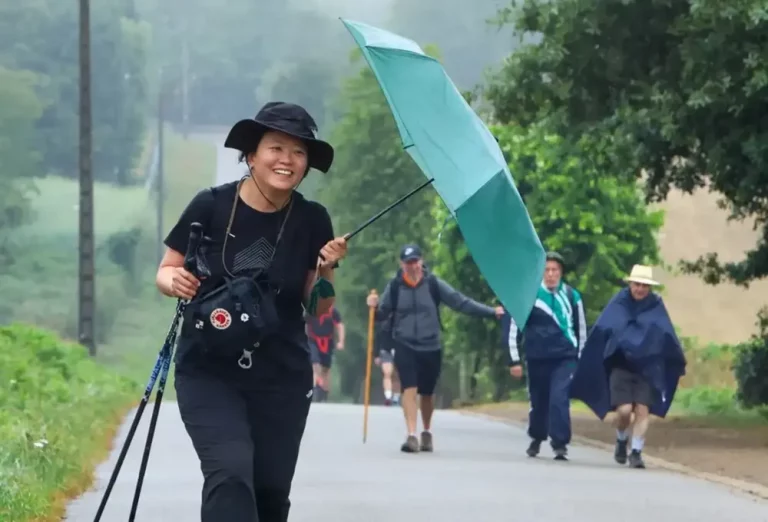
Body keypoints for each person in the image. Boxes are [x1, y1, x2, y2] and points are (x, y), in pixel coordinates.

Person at [155, 101, 348, 522]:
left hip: (281, 375)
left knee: (271, 493)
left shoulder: (313, 220)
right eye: (276, 148)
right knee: (230, 474)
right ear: (251, 155)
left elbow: (319, 309)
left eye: (299, 152)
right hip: (209, 370)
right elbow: (167, 270)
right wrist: (176, 282)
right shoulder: (210, 206)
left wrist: (326, 266)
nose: (288, 160)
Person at [367, 243, 504, 453]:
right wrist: (373, 307)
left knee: (427, 393)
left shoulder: (433, 284)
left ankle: (426, 431)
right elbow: (381, 315)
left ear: (421, 262)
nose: (412, 266)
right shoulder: (395, 287)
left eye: (415, 262)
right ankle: (411, 435)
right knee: (409, 389)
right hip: (404, 343)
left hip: (430, 345)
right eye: (407, 263)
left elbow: (460, 302)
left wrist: (491, 311)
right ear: (401, 264)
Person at [569, 264, 687, 469]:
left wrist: (673, 357)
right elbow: (605, 327)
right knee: (624, 411)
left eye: (644, 285)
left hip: (647, 368)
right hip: (621, 366)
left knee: (642, 410)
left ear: (649, 288)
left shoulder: (655, 306)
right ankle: (622, 439)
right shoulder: (619, 303)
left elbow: (665, 333)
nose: (640, 289)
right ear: (630, 284)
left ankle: (636, 452)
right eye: (636, 284)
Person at [502, 251, 586, 461]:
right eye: (546, 270)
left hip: (564, 358)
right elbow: (514, 329)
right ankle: (537, 437)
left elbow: (581, 330)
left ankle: (560, 443)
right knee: (539, 401)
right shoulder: (528, 295)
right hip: (537, 358)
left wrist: (581, 359)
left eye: (554, 270)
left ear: (561, 272)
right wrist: (514, 359)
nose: (550, 274)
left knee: (559, 399)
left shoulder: (571, 296)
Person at [306, 305, 345, 402]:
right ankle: (315, 388)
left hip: (328, 342)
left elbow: (340, 326)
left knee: (326, 369)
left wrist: (341, 341)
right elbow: (303, 323)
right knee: (315, 363)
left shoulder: (333, 311)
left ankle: (324, 392)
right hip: (313, 341)